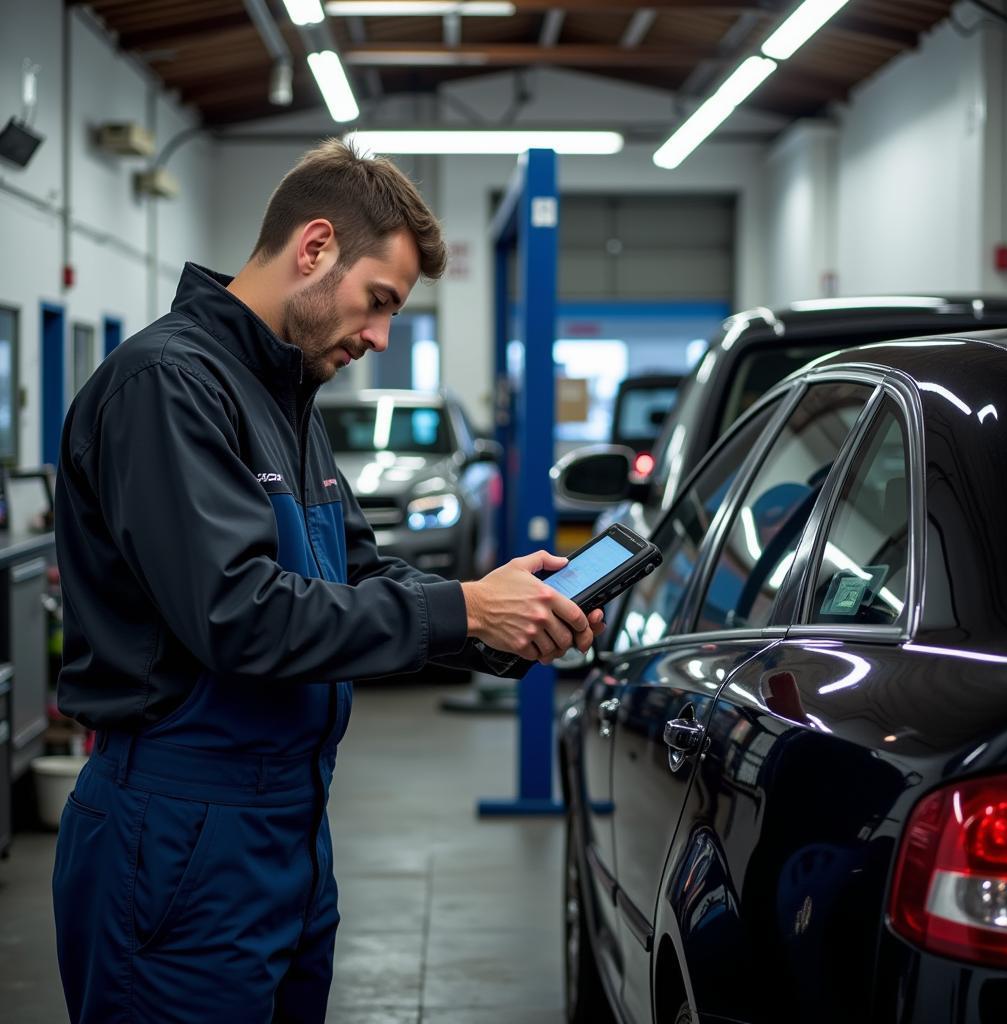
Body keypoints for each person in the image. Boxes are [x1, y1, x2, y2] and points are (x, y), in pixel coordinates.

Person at [51, 139, 603, 1023]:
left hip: (288, 825)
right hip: (179, 825)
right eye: (377, 302)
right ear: (314, 249)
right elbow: (241, 615)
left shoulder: (286, 399)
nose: (382, 337)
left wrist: (499, 620)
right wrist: (461, 607)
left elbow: (355, 574)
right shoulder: (168, 386)